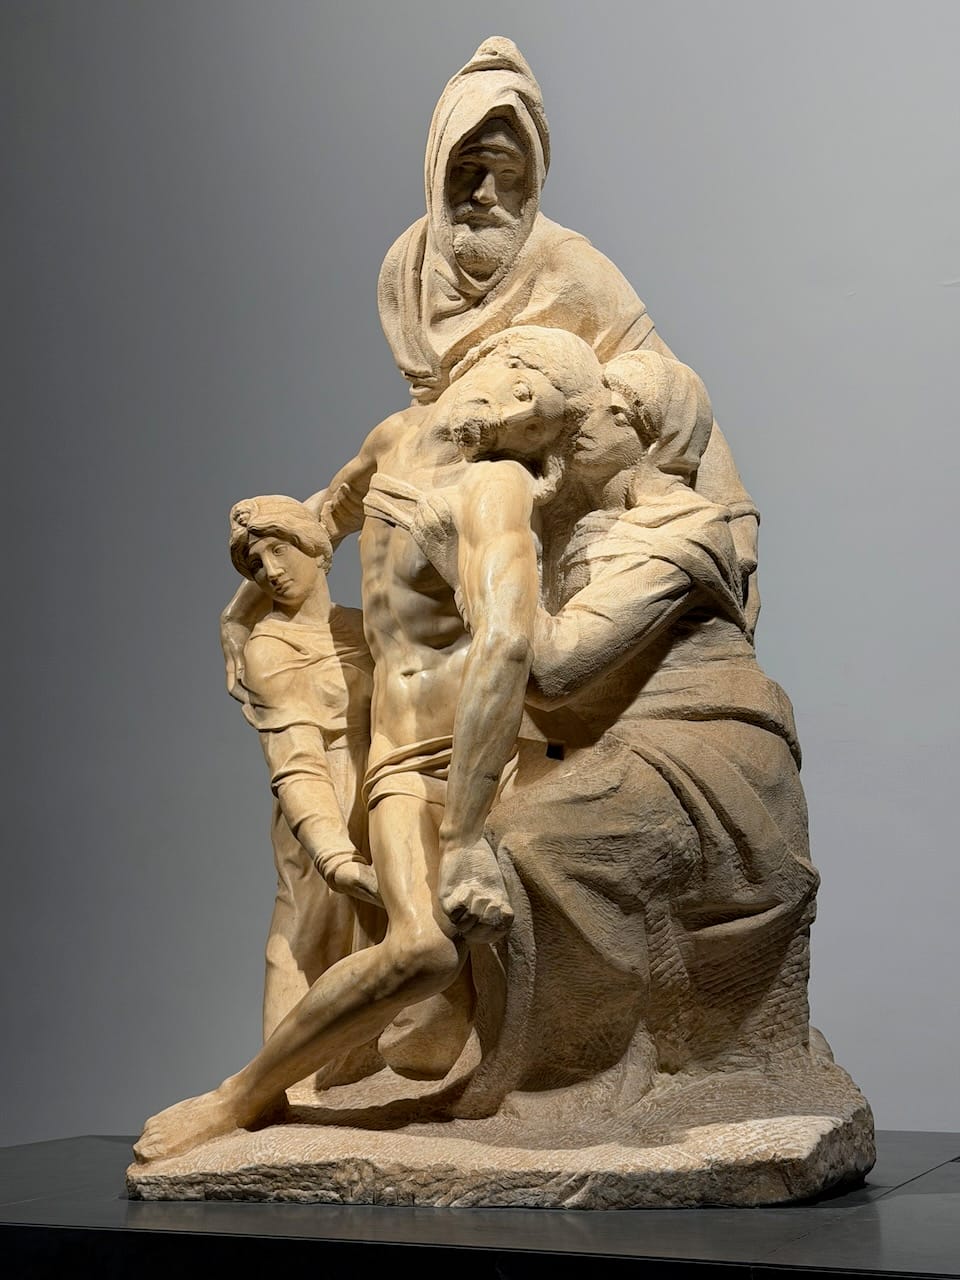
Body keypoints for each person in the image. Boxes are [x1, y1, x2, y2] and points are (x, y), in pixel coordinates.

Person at [134, 326, 624, 1161]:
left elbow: (507, 644)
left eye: (537, 423)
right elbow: (317, 524)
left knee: (454, 949)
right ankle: (246, 1096)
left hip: (482, 755)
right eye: (524, 391)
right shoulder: (393, 438)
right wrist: (240, 615)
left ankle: (264, 1092)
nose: (515, 419)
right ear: (497, 361)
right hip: (399, 757)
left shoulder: (493, 488)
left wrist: (465, 835)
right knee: (421, 949)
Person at [447, 350, 817, 1121]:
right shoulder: (601, 524)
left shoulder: (680, 531)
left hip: (707, 750)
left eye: (614, 408)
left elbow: (555, 666)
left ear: (651, 435)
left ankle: (580, 1069)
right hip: (631, 741)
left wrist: (487, 565)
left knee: (535, 840)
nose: (588, 417)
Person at [377, 36, 761, 628]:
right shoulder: (406, 271)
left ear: (531, 183)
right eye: (468, 169)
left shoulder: (571, 269)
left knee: (536, 644)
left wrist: (734, 522)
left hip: (562, 512)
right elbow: (428, 413)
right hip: (460, 493)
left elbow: (672, 390)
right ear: (437, 169)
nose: (485, 195)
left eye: (507, 175)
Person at [227, 496, 380, 1045]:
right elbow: (295, 761)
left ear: (314, 547)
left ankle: (369, 1066)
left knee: (381, 936)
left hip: (380, 782)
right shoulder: (268, 650)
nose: (270, 571)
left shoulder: (361, 625)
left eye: (278, 549)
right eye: (254, 564)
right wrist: (332, 854)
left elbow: (343, 494)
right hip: (320, 800)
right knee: (306, 931)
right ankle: (282, 1078)